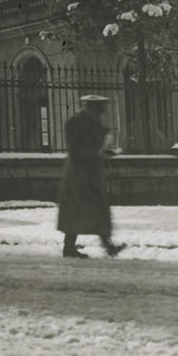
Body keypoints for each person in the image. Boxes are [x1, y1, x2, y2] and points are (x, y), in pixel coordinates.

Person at [57, 95, 127, 259]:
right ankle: (71, 248)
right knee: (77, 209)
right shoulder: (74, 123)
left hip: (91, 172)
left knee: (95, 209)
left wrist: (107, 151)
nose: (104, 110)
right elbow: (74, 149)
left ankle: (107, 247)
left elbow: (98, 144)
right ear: (92, 107)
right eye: (101, 106)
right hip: (78, 173)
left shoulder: (95, 122)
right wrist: (98, 154)